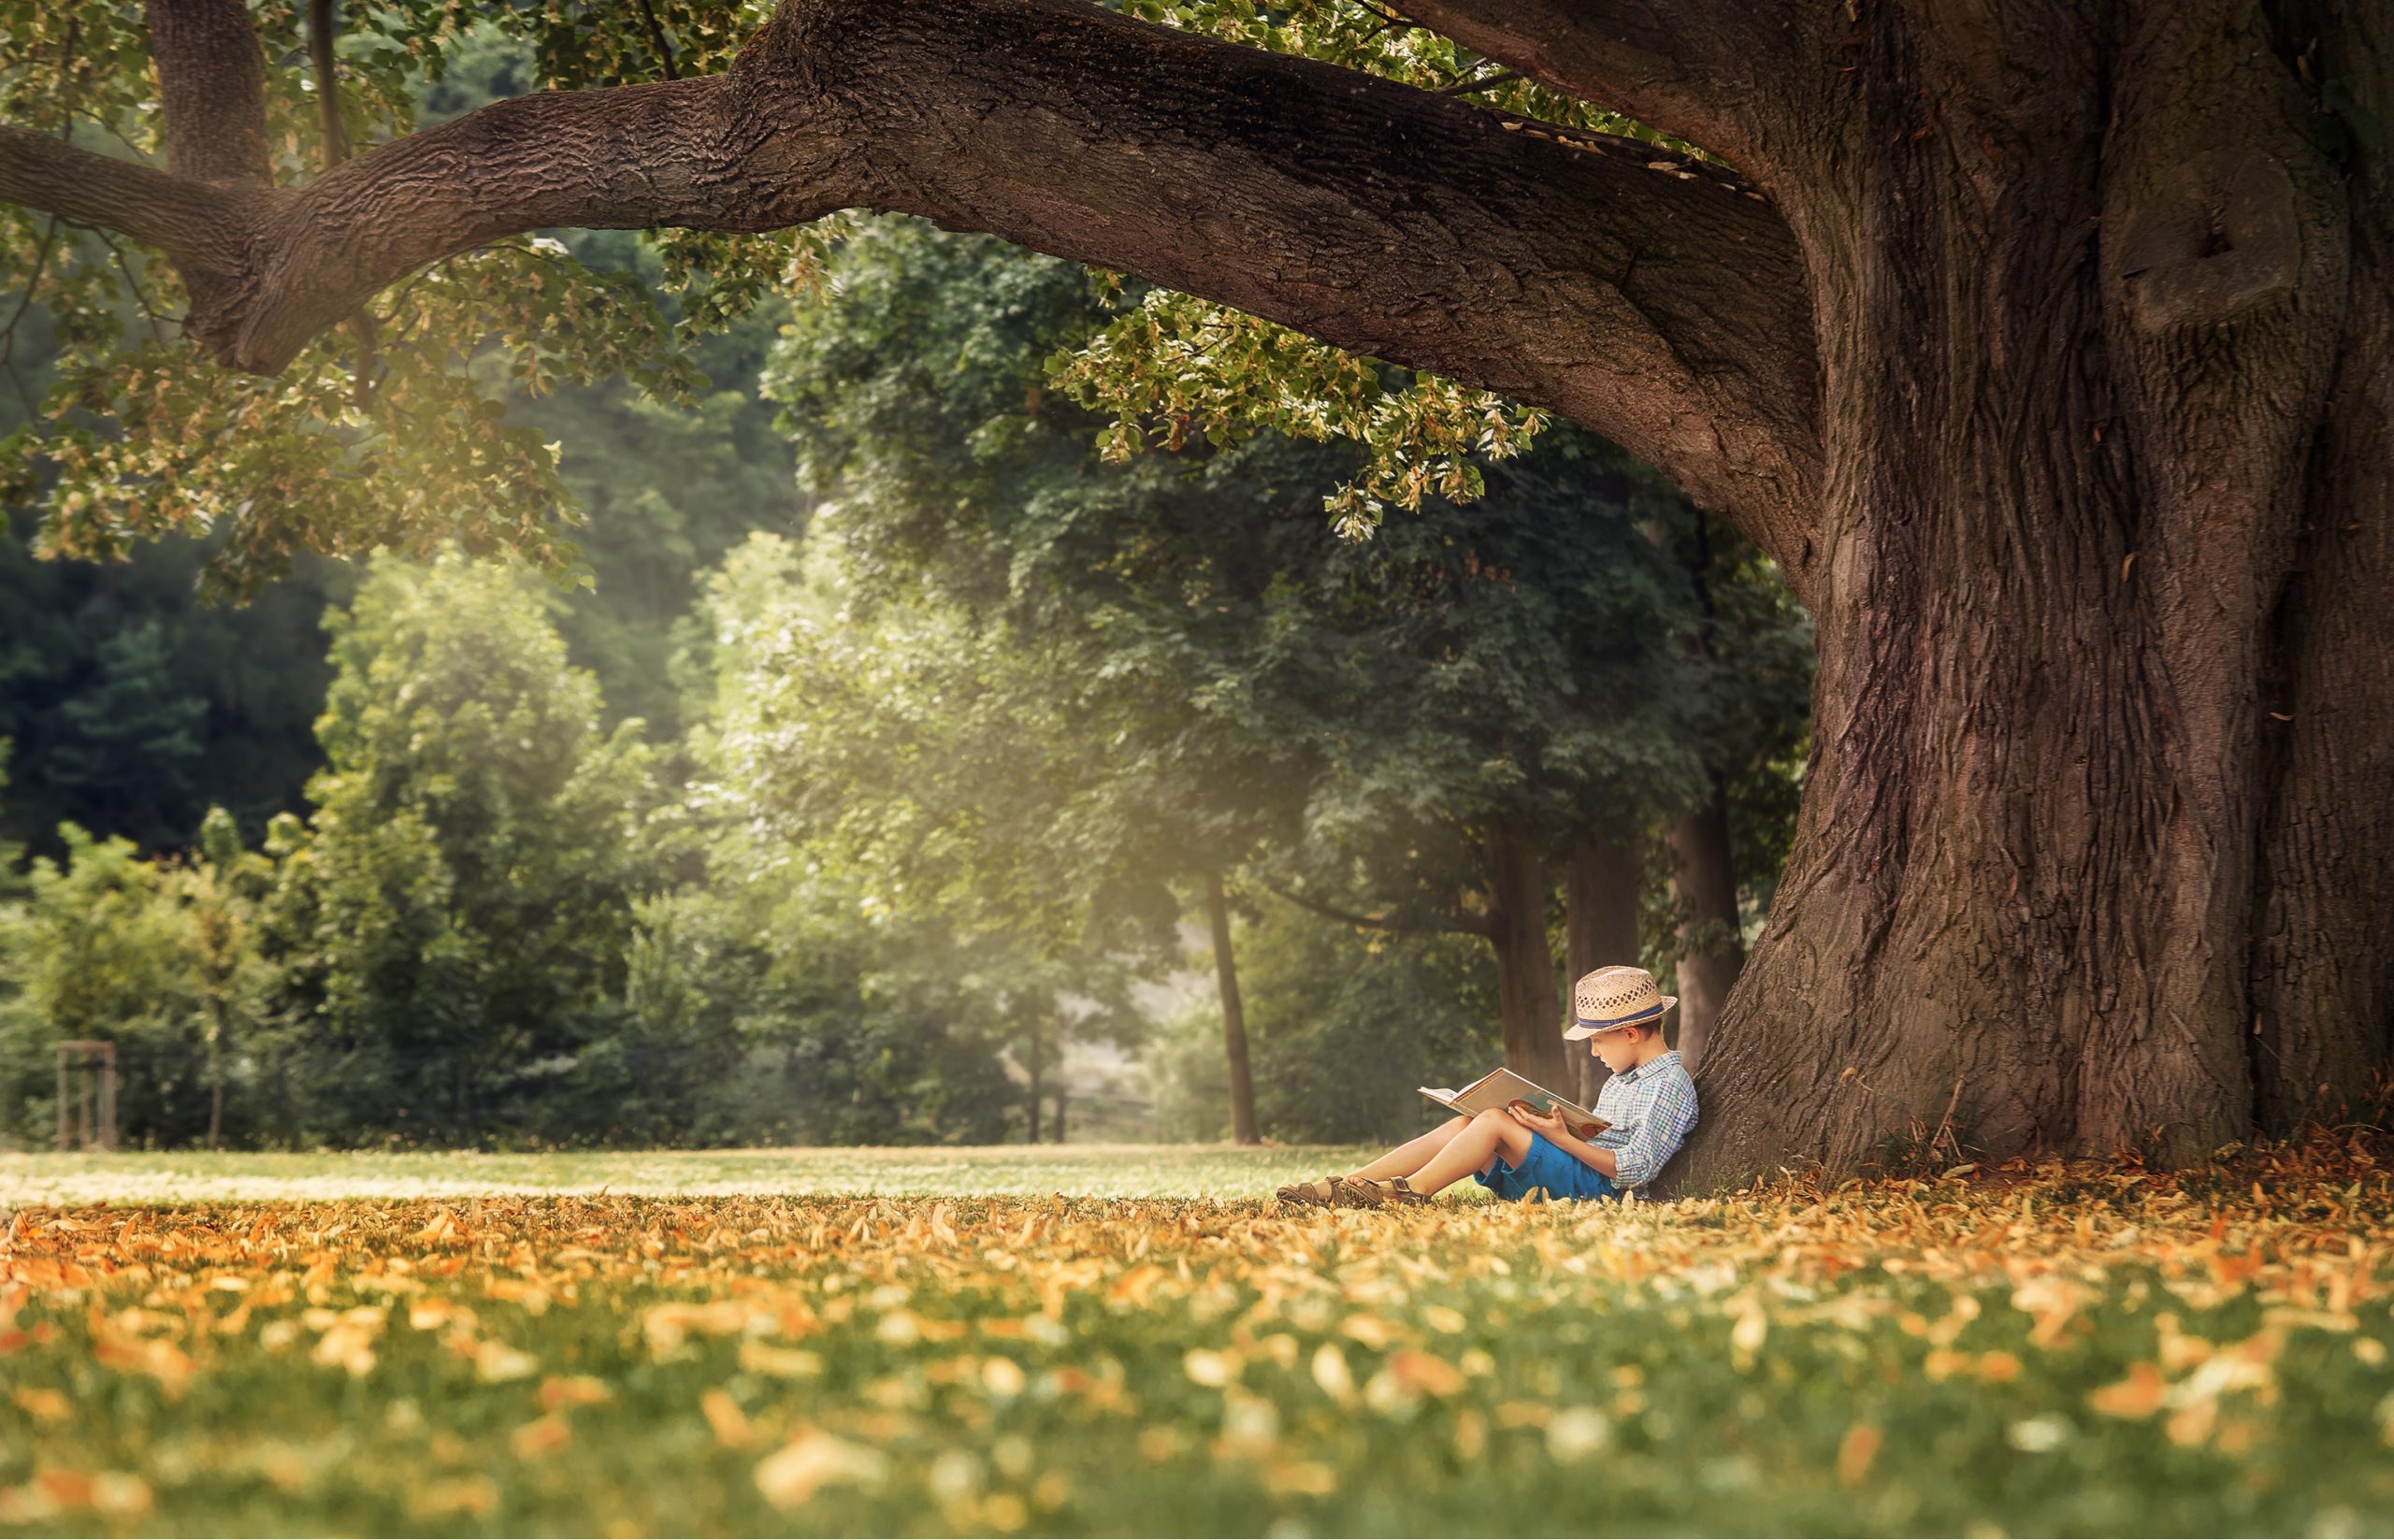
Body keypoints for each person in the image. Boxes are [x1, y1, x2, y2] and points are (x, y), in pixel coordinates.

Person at [1276, 965, 1699, 1207]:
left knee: (1494, 1121)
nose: (1593, 1052)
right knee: (1468, 1123)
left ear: (1629, 1034)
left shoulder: (1669, 1087)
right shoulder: (1623, 1080)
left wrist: (1559, 1139)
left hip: (1601, 1190)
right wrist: (1554, 1126)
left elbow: (1635, 1169)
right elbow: (1601, 1138)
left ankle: (1410, 1193)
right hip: (1580, 1169)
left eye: (1597, 1040)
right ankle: (1349, 1186)